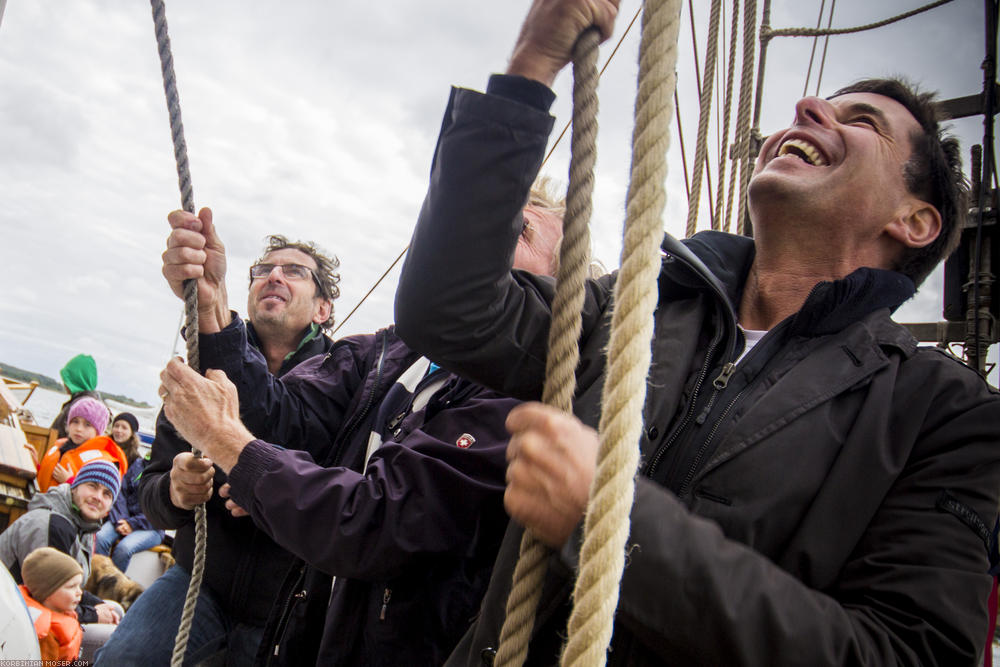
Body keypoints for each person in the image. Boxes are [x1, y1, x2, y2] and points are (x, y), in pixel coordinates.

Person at [392, 2, 1000, 664]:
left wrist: (614, 521)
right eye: (818, 105)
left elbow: (907, 652)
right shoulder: (637, 305)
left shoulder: (945, 413)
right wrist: (532, 66)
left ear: (915, 221)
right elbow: (447, 308)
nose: (807, 109)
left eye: (861, 122)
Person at [139, 180, 564, 664]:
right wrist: (212, 305)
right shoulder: (386, 353)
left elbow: (381, 522)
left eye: (522, 231)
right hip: (291, 622)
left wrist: (224, 439)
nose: (490, 235)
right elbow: (280, 420)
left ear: (563, 283)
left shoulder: (531, 394)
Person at [96, 232, 342, 665]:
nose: (274, 277)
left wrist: (271, 491)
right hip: (198, 583)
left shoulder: (344, 379)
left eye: (294, 271)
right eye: (263, 271)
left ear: (323, 309)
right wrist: (175, 492)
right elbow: (151, 492)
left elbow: (322, 460)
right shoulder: (201, 363)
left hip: (286, 607)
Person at [0, 459, 123, 628]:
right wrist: (94, 615)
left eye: (107, 494)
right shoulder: (54, 524)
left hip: (34, 605)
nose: (97, 497)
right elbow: (48, 596)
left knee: (114, 610)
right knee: (108, 632)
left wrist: (98, 604)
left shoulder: (84, 525)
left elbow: (68, 585)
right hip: (12, 612)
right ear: (75, 485)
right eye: (92, 486)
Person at [94, 453, 165, 573]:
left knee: (124, 548)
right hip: (124, 519)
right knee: (100, 537)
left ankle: (112, 588)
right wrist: (122, 519)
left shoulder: (169, 473)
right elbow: (121, 492)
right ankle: (99, 578)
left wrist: (132, 524)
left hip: (152, 527)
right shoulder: (138, 464)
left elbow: (161, 509)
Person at [36, 397, 123, 492]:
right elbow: (48, 478)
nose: (79, 429)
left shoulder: (102, 464)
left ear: (98, 432)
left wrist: (69, 481)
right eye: (75, 421)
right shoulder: (61, 446)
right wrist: (36, 466)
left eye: (87, 425)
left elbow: (96, 499)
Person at [18, 546, 85, 662]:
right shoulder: (47, 636)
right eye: (72, 587)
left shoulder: (61, 612)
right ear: (48, 591)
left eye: (79, 585)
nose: (79, 592)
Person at [50, 353, 105, 439]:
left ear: (76, 379)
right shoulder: (95, 404)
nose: (64, 383)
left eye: (67, 379)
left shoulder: (81, 407)